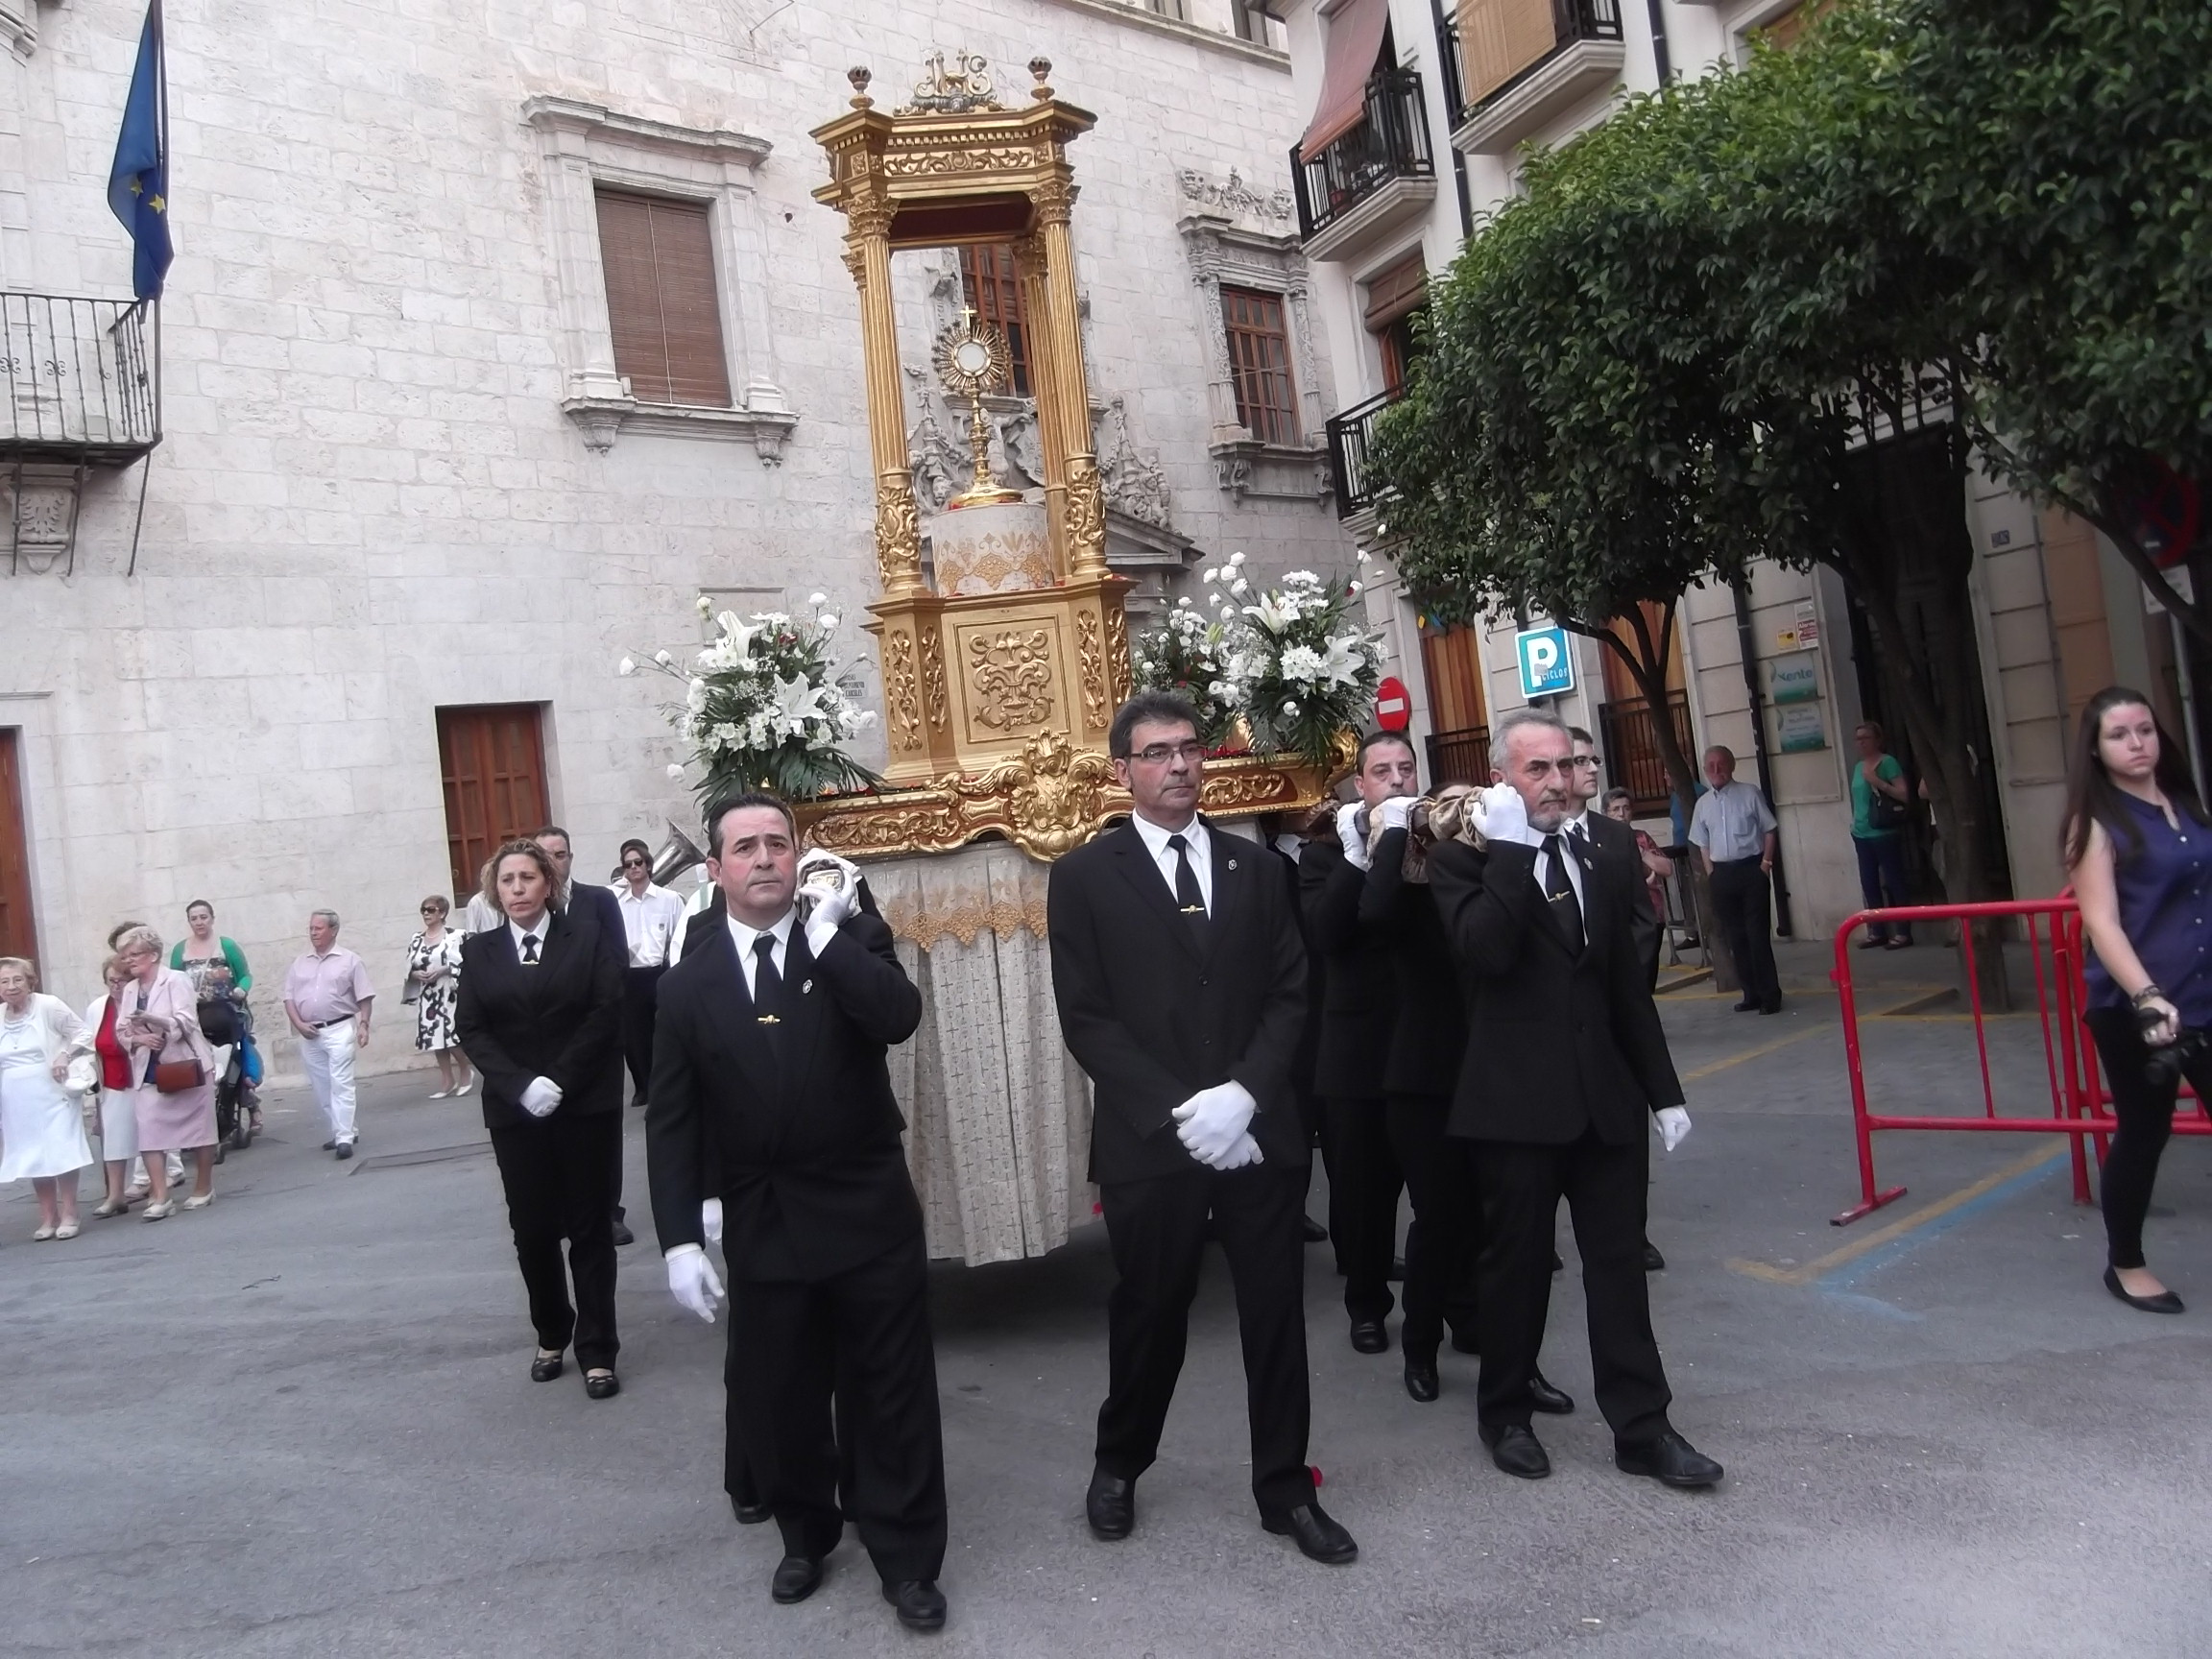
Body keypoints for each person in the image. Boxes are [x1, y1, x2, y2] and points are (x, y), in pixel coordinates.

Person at [1047, 690, 1357, 1566]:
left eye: (1189, 749)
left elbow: (1291, 991)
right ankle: (1119, 1463)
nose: (1179, 764)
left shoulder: (1256, 869)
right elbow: (1087, 1017)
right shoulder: (1084, 877)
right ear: (1123, 771)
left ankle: (1286, 1489)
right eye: (1157, 753)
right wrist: (1185, 1113)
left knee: (1274, 1314)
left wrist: (1245, 1096)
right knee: (1151, 1310)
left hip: (1258, 1135)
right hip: (1153, 1141)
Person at [647, 794, 950, 1633]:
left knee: (891, 1392)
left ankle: (907, 1556)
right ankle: (806, 1533)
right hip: (765, 1217)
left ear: (797, 856)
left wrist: (826, 936)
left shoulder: (850, 934)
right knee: (781, 1393)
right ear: (716, 870)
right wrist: (680, 1239)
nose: (764, 858)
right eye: (745, 847)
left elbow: (898, 1018)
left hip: (866, 1205)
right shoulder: (685, 984)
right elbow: (672, 1120)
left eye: (777, 843)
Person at [1428, 709, 1722, 1489]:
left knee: (1619, 1265)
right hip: (1515, 1105)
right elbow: (1487, 953)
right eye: (1538, 770)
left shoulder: (1608, 849)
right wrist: (1512, 853)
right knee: (1517, 1267)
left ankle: (1644, 1428)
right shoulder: (1461, 861)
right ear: (1501, 780)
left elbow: (1624, 984)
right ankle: (1505, 1413)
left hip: (1605, 1098)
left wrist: (1663, 1093)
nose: (1558, 783)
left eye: (1565, 766)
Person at [1349, 776, 1526, 1407]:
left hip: (1496, 1075)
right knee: (1440, 1219)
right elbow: (1373, 913)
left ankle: (1503, 1350)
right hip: (1424, 1080)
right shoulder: (1410, 891)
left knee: (1504, 1224)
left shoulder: (1493, 884)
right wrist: (1396, 829)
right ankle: (1420, 1346)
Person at [457, 839, 627, 1397]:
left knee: (590, 1228)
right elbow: (472, 1028)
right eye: (507, 880)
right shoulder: (479, 951)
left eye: (527, 878)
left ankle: (598, 1348)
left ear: (548, 884)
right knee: (532, 1230)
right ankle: (552, 1331)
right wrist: (520, 1085)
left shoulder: (587, 938)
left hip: (583, 1106)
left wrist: (559, 1080)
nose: (518, 889)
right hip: (516, 1115)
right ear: (495, 890)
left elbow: (606, 1010)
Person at [2061, 686, 2212, 1315]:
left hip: (2204, 991)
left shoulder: (2184, 804)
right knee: (2145, 1132)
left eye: (2144, 730)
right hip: (2136, 1007)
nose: (2136, 743)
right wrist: (2149, 995)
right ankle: (2125, 1264)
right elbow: (2101, 922)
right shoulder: (2096, 823)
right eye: (2119, 735)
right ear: (2096, 750)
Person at [533, 825, 636, 1244]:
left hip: (598, 1036)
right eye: (543, 856)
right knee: (552, 1128)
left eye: (559, 855)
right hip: (547, 1042)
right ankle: (562, 1211)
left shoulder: (599, 900)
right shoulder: (529, 910)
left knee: (603, 1129)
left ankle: (609, 1212)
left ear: (570, 858)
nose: (552, 863)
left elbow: (617, 962)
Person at [112, 926, 219, 1217]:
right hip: (147, 1067)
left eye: (134, 955)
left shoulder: (176, 980)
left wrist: (152, 1019)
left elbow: (187, 1021)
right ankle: (161, 1196)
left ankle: (203, 1187)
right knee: (149, 1132)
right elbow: (121, 1029)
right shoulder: (131, 989)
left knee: (200, 1129)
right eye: (125, 956)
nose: (129, 961)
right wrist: (139, 1039)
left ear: (153, 955)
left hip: (185, 1064)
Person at [0, 957, 96, 1239]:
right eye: (4, 981)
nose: (11, 986)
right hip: (16, 1098)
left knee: (60, 1150)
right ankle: (48, 1216)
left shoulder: (48, 1005)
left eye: (17, 979)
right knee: (33, 1155)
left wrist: (64, 1055)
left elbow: (83, 1033)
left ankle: (70, 1212)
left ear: (30, 981)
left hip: (53, 1092)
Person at [1689, 746, 1783, 1015]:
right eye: (1710, 766)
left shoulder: (1749, 793)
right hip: (1722, 875)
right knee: (1736, 937)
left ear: (1731, 766)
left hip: (1751, 870)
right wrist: (1711, 872)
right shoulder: (1703, 804)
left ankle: (1770, 996)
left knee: (1757, 936)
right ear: (1704, 770)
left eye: (1721, 764)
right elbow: (1702, 842)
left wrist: (1765, 865)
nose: (1716, 770)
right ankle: (1750, 994)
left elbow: (1769, 829)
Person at [282, 910, 373, 1160]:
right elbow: (288, 998)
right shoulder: (300, 963)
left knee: (341, 1082)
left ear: (333, 930)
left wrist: (364, 1024)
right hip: (310, 1032)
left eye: (319, 928)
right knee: (322, 1086)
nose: (313, 933)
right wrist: (298, 1024)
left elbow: (365, 996)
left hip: (339, 1027)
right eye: (311, 928)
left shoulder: (350, 960)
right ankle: (345, 1129)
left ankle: (344, 1138)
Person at [173, 900, 262, 1129]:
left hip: (228, 1012)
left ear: (212, 918)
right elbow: (173, 981)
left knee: (236, 1056)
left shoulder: (227, 946)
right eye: (194, 918)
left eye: (203, 917)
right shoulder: (180, 950)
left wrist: (241, 989)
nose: (199, 922)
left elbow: (245, 975)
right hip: (195, 1016)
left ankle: (249, 1100)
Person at [612, 837, 684, 1110]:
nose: (633, 868)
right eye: (627, 865)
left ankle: (665, 1087)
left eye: (638, 862)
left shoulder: (670, 899)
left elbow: (680, 937)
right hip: (630, 975)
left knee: (662, 1034)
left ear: (648, 865)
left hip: (660, 973)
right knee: (634, 1037)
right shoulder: (615, 900)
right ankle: (643, 1087)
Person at [84, 956, 144, 1216]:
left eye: (122, 980)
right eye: (111, 981)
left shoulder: (143, 1002)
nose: (117, 986)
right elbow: (89, 1044)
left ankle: (158, 1188)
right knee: (114, 1141)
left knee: (152, 1137)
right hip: (112, 1080)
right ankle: (116, 1195)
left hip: (143, 1078)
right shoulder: (98, 1008)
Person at [1849, 723, 1914, 950]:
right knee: (1869, 883)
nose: (1861, 742)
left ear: (1878, 740)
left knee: (1894, 881)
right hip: (1861, 833)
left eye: (1866, 737)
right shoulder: (1859, 767)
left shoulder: (1887, 763)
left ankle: (1903, 932)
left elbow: (1903, 794)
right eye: (1858, 738)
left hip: (1884, 832)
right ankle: (1877, 930)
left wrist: (1878, 782)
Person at [407, 896, 473, 1097]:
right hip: (428, 995)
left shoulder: (456, 936)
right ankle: (447, 1080)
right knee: (434, 1038)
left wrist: (445, 970)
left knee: (450, 1035)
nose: (426, 914)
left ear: (442, 913)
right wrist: (416, 974)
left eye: (431, 910)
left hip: (449, 992)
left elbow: (467, 962)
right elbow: (410, 965)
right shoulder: (416, 939)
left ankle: (466, 1071)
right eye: (423, 910)